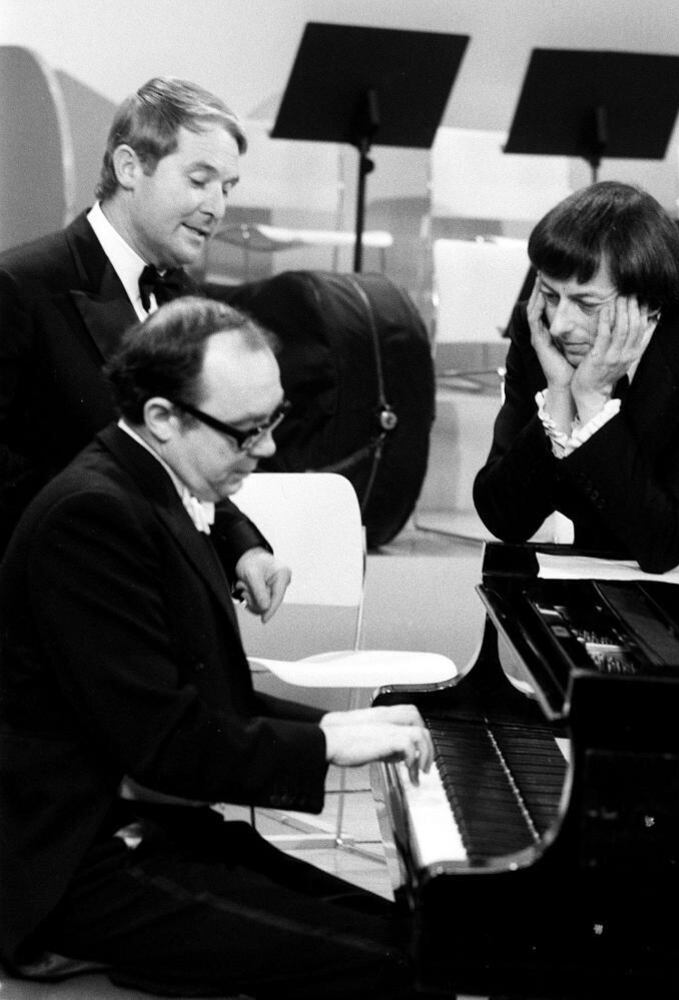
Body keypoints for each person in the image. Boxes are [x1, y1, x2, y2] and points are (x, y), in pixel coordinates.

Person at [0, 296, 440, 1000]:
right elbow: (169, 745)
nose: (266, 449)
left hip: (143, 824)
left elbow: (198, 706)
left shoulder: (159, 486)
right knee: (397, 965)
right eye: (245, 432)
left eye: (273, 422)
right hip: (75, 864)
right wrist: (329, 743)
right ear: (161, 418)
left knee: (427, 938)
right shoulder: (92, 519)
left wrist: (334, 726)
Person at [0, 76, 286, 624]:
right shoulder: (20, 287)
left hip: (149, 604)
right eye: (200, 181)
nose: (217, 206)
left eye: (228, 186)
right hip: (52, 608)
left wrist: (241, 545)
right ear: (130, 167)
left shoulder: (182, 296)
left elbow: (182, 455)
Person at [473, 181, 679, 574]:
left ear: (649, 303)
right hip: (603, 572)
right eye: (551, 295)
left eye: (586, 303)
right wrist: (561, 393)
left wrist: (593, 400)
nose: (560, 325)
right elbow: (505, 519)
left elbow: (664, 543)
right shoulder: (538, 330)